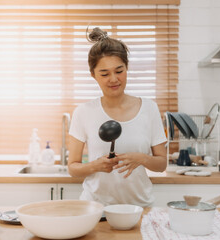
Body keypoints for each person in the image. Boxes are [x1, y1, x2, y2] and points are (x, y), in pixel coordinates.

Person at [67, 27, 167, 207]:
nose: (113, 79)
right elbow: (73, 167)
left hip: (140, 208)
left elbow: (161, 164)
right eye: (104, 74)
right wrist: (96, 166)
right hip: (96, 208)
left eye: (119, 71)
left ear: (127, 68)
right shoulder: (83, 112)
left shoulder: (149, 108)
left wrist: (142, 159)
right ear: (94, 75)